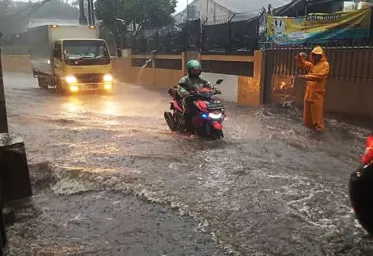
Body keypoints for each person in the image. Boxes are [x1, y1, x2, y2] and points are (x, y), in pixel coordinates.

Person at [296, 46, 330, 133]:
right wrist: (299, 57)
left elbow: (320, 76)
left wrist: (305, 77)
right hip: (308, 94)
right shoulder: (312, 65)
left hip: (317, 95)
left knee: (317, 119)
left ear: (321, 56)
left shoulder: (325, 65)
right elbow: (302, 64)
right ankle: (309, 134)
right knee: (307, 119)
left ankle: (320, 135)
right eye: (314, 55)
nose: (315, 57)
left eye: (317, 55)